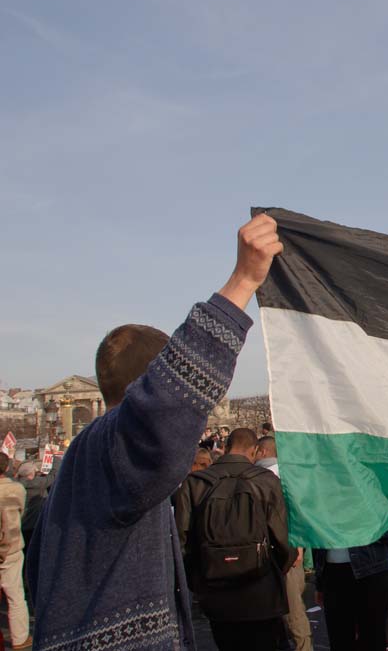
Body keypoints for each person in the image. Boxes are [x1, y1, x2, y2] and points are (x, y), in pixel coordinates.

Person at [26, 214, 281, 651]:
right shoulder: (114, 449)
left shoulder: (79, 462)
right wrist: (242, 282)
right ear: (147, 386)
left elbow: (37, 571)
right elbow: (167, 405)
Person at [175, 427, 294, 651]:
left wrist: (200, 580)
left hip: (216, 590)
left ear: (227, 446)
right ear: (255, 450)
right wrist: (275, 568)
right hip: (260, 587)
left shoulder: (194, 484)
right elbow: (282, 539)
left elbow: (183, 543)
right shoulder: (266, 481)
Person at [254, 436, 313, 651]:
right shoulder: (290, 475)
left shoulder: (260, 477)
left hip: (277, 551)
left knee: (291, 614)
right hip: (290, 549)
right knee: (293, 613)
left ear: (260, 451)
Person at [0, 453, 32, 649]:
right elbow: (22, 512)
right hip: (11, 547)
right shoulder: (17, 489)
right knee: (16, 596)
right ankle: (20, 637)